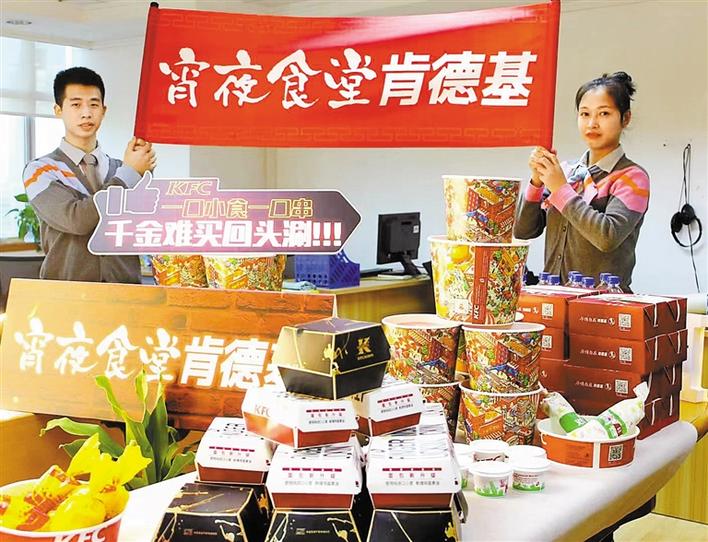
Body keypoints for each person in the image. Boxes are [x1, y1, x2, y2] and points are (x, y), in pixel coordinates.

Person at [513, 72, 649, 292]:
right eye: (585, 114)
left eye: (604, 113)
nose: (592, 123)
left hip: (603, 303)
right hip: (554, 297)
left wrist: (561, 189)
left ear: (625, 118)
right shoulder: (566, 171)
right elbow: (523, 231)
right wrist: (537, 182)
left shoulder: (633, 177)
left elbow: (607, 237)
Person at [24, 66, 156, 283]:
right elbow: (77, 220)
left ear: (103, 110)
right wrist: (130, 174)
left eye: (94, 104)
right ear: (58, 110)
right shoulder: (41, 171)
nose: (86, 113)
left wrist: (144, 176)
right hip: (68, 294)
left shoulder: (120, 168)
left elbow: (145, 224)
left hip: (126, 291)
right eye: (76, 104)